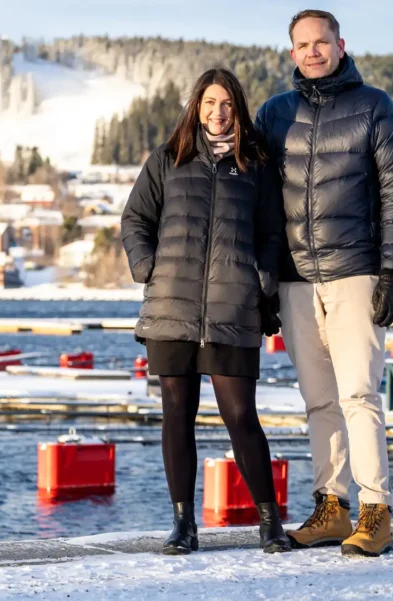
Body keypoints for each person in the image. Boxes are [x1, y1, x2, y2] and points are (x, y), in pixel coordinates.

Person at [254, 9, 393, 558]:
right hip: (295, 280)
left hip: (355, 273)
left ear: (340, 45)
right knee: (319, 400)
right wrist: (264, 283)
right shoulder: (275, 113)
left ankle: (375, 512)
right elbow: (261, 203)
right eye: (303, 44)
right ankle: (331, 507)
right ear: (292, 52)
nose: (313, 51)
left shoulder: (375, 106)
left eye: (321, 42)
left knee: (359, 395)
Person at [121, 68, 290, 555]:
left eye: (228, 104)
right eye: (210, 103)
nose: (219, 112)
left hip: (233, 308)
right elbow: (135, 218)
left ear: (238, 109)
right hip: (171, 308)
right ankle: (183, 524)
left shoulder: (255, 165)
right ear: (196, 106)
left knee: (241, 416)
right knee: (177, 415)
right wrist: (147, 265)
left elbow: (272, 232)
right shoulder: (169, 158)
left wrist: (263, 277)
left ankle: (270, 522)